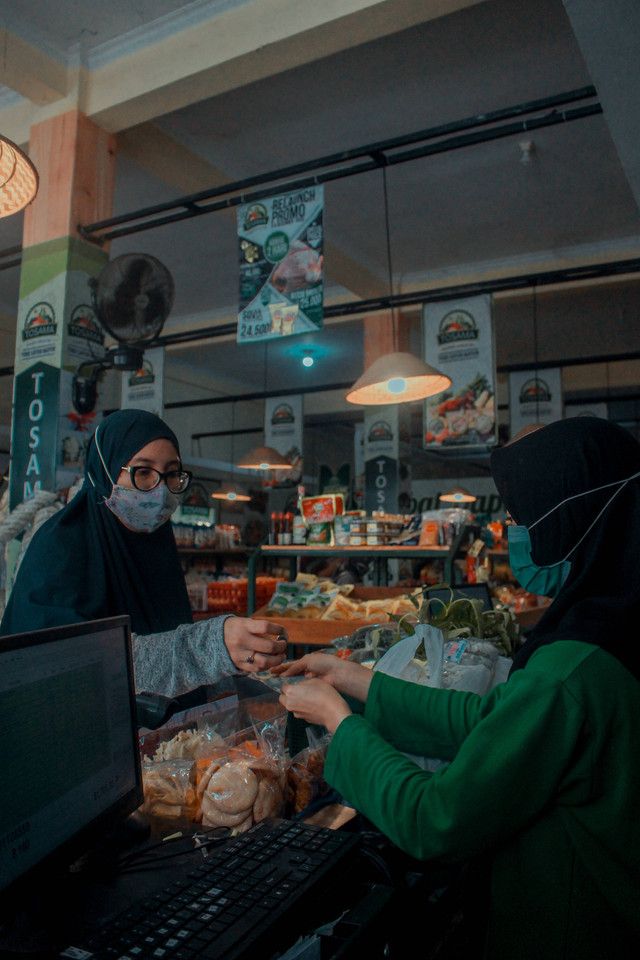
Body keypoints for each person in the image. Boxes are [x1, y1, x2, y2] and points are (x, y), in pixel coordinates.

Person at [276, 416, 640, 959]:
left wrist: (340, 723)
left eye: (521, 516)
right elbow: (492, 722)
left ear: (572, 520)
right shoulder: (612, 631)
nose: (512, 530)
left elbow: (436, 819)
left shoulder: (569, 674)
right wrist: (354, 680)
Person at [0, 409, 287, 695]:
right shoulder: (59, 547)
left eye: (172, 474)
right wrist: (212, 646)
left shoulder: (155, 547)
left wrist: (237, 673)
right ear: (105, 471)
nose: (160, 489)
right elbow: (72, 666)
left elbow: (167, 653)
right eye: (143, 472)